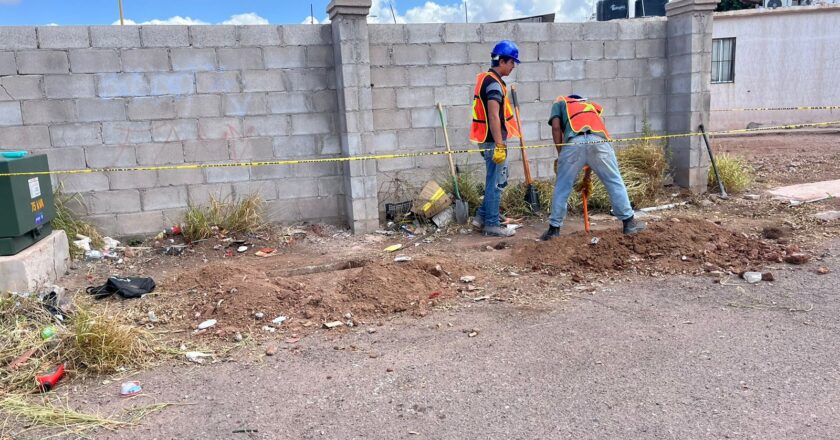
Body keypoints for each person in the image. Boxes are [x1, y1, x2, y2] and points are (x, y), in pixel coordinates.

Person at [541, 94, 647, 241]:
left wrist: (561, 155)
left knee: (562, 186)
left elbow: (556, 127)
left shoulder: (560, 103)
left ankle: (553, 230)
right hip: (599, 142)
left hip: (574, 143)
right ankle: (629, 223)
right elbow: (590, 147)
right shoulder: (590, 106)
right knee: (614, 181)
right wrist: (587, 176)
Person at [469, 40, 522, 237]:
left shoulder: (487, 79)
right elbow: (493, 115)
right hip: (493, 141)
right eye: (512, 62)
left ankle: (481, 217)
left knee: (495, 179)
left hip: (487, 139)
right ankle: (491, 224)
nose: (513, 66)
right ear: (502, 61)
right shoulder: (493, 84)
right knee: (496, 183)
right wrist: (500, 144)